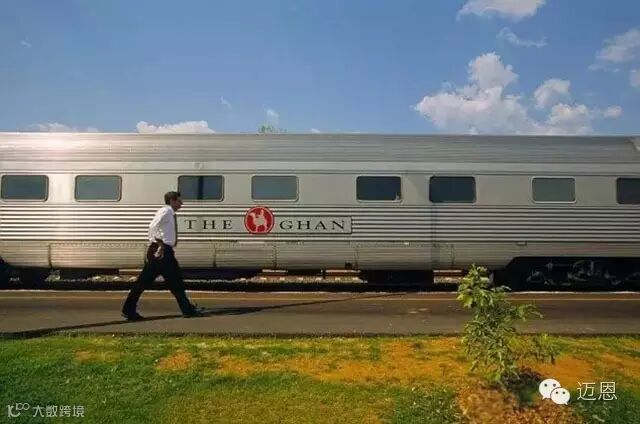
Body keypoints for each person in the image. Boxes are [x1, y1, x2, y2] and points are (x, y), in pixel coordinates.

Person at [122, 191, 203, 320]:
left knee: (175, 281)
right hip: (161, 251)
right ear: (172, 201)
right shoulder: (165, 211)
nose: (181, 203)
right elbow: (152, 226)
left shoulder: (170, 213)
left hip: (165, 251)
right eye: (179, 201)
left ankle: (187, 309)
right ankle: (128, 309)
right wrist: (160, 244)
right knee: (146, 282)